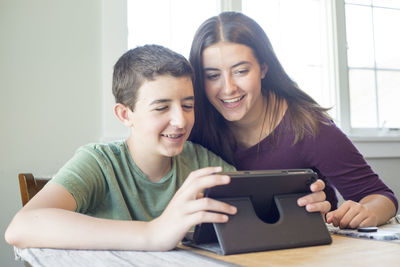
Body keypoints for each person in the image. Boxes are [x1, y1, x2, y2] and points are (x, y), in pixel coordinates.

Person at [5, 44, 326, 251]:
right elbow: (20, 228)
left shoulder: (201, 162)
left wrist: (301, 208)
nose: (180, 120)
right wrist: (152, 233)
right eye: (161, 107)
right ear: (125, 114)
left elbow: (252, 212)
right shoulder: (99, 162)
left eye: (188, 105)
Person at [188, 12, 397, 229]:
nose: (229, 88)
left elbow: (381, 196)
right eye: (213, 76)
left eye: (241, 71)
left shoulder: (310, 128)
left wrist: (366, 211)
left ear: (263, 68)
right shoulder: (194, 125)